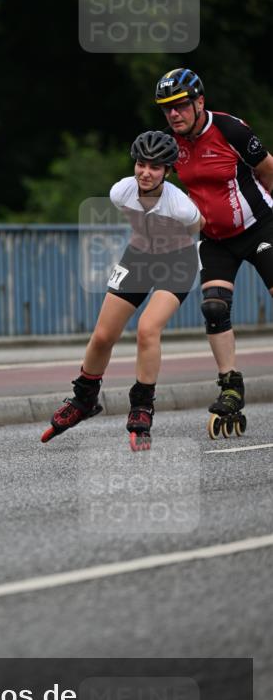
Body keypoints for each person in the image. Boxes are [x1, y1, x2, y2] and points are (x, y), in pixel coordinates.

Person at [41, 130, 204, 451]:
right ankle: (84, 398)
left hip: (178, 263)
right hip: (139, 257)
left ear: (168, 172)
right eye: (142, 164)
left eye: (155, 167)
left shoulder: (182, 206)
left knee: (147, 329)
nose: (146, 172)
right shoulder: (120, 192)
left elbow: (200, 232)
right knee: (103, 335)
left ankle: (142, 406)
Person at [154, 68, 273, 437]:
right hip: (215, 238)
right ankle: (231, 386)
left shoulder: (230, 130)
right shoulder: (170, 144)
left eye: (180, 106)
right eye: (167, 109)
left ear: (199, 102)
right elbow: (156, 187)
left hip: (260, 227)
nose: (174, 114)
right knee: (213, 307)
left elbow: (268, 170)